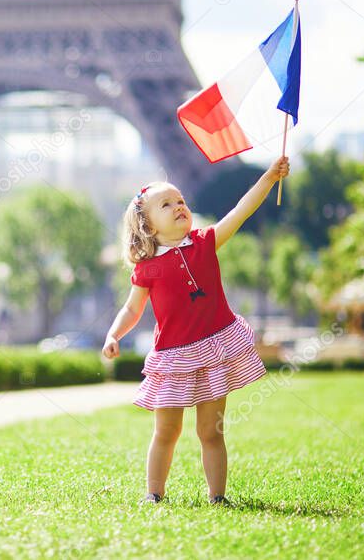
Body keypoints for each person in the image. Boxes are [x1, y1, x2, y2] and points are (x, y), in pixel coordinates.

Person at [101, 155, 290, 506]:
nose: (178, 207)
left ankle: (218, 497)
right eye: (166, 204)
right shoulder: (148, 268)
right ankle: (154, 494)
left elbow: (240, 211)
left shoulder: (205, 242)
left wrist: (267, 178)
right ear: (148, 225)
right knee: (166, 431)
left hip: (214, 349)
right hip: (173, 356)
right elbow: (132, 307)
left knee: (211, 431)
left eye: (181, 201)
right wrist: (114, 335)